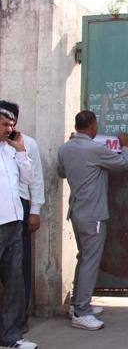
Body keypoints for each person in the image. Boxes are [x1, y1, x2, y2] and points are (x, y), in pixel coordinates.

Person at [57, 111, 128, 331]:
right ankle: (81, 312)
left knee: (83, 258)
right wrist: (125, 145)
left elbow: (61, 172)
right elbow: (122, 164)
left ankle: (77, 304)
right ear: (92, 126)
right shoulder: (95, 148)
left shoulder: (65, 148)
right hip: (93, 216)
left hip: (77, 212)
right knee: (90, 261)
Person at [0, 100, 45, 333]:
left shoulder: (24, 144)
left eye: (12, 123)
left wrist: (34, 211)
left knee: (17, 272)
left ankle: (18, 321)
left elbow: (32, 179)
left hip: (18, 210)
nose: (9, 128)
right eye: (4, 123)